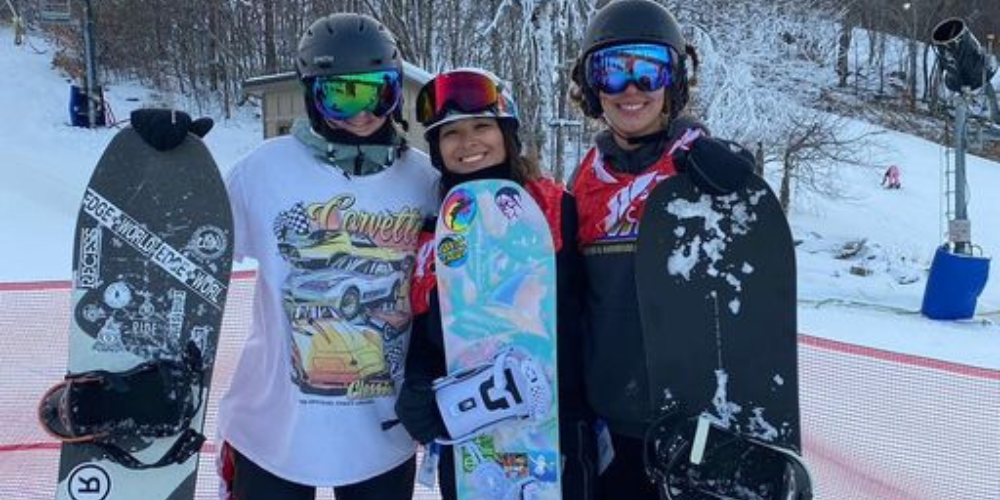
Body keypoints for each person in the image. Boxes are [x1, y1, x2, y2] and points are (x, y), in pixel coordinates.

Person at [131, 13, 440, 500]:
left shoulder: (423, 181)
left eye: (376, 93)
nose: (361, 114)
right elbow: (190, 247)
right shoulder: (265, 169)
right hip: (272, 430)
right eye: (341, 95)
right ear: (312, 98)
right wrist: (164, 166)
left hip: (382, 431)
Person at [567, 1, 755, 499]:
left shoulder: (697, 167)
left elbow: (752, 282)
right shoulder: (584, 184)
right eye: (612, 72)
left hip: (694, 423)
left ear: (672, 80)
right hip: (609, 421)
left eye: (648, 70)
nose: (631, 89)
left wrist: (738, 185)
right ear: (592, 89)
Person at [393, 68, 597, 500]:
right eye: (450, 133)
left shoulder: (557, 208)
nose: (468, 143)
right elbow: (432, 330)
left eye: (482, 126)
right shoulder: (435, 232)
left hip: (555, 428)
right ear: (436, 148)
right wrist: (418, 383)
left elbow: (598, 304)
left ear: (507, 134)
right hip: (473, 437)